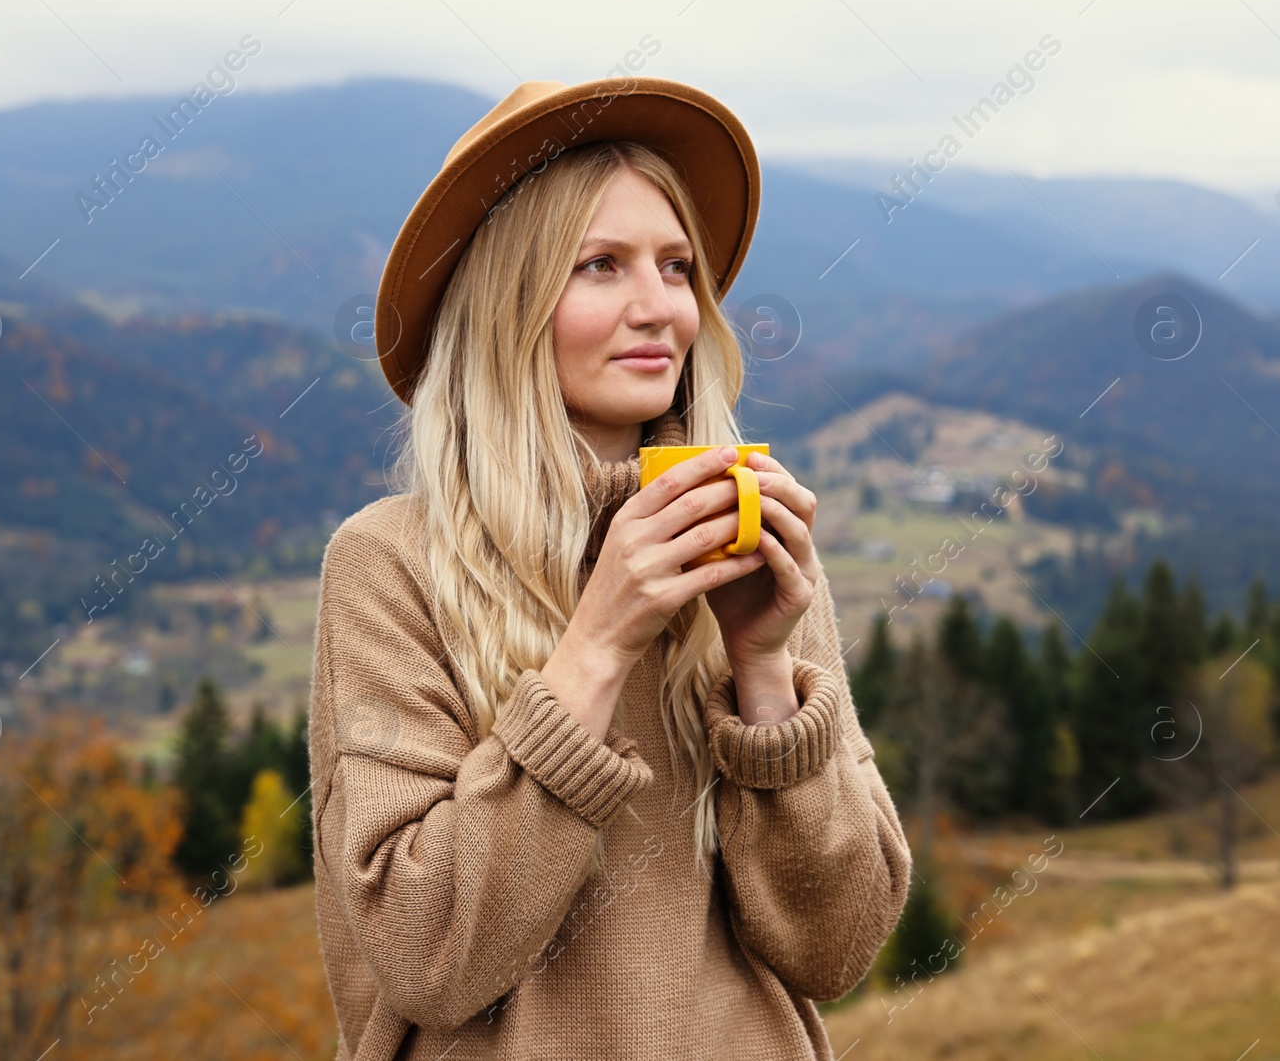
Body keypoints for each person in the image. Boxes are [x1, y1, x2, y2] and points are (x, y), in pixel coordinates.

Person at [309, 76, 911, 1060]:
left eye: (677, 267)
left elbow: (838, 943)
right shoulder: (389, 564)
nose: (658, 307)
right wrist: (596, 644)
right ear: (507, 306)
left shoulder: (745, 542)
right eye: (601, 266)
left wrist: (763, 677)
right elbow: (429, 957)